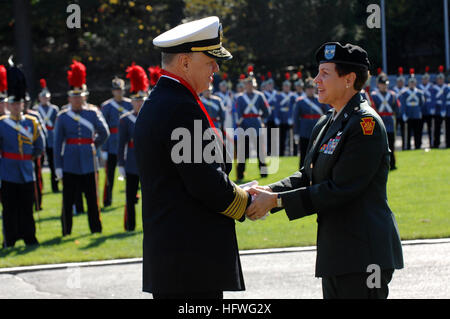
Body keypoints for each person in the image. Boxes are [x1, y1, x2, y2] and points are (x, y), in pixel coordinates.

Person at [245, 42, 404, 299]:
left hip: (363, 255)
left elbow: (341, 189)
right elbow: (307, 175)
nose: (315, 80)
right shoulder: (327, 121)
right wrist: (268, 191)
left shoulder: (366, 124)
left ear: (349, 79)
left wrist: (275, 201)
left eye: (325, 74)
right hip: (337, 253)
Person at [134, 16, 252, 299]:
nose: (217, 67)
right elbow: (205, 184)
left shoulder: (162, 102)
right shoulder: (180, 109)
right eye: (210, 60)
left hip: (177, 262)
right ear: (185, 62)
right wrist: (247, 202)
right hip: (190, 265)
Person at [54, 60, 109, 236]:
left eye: (80, 96)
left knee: (92, 199)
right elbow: (56, 144)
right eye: (74, 96)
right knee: (67, 200)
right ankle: (66, 231)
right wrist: (58, 167)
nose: (77, 99)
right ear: (69, 98)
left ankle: (95, 229)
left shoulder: (92, 113)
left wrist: (94, 145)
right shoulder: (62, 116)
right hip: (69, 162)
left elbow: (104, 132)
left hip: (88, 160)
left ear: (84, 96)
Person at [0, 63, 44, 248]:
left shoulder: (32, 123)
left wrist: (30, 159)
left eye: (19, 103)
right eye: (14, 104)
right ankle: (9, 239)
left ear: (23, 104)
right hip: (8, 171)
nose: (17, 107)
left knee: (27, 207)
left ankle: (29, 237)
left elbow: (39, 146)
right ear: (9, 105)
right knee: (9, 208)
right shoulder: (2, 124)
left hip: (26, 171)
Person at [118, 63, 148, 232]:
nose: (139, 104)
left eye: (141, 100)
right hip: (130, 163)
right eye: (136, 101)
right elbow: (121, 143)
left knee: (148, 197)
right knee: (130, 197)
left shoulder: (150, 117)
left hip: (147, 163)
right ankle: (130, 225)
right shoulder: (125, 119)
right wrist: (120, 164)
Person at [100, 77, 133, 208]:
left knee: (131, 173)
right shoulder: (106, 106)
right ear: (112, 91)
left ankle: (132, 196)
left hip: (127, 144)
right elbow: (103, 128)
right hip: (112, 144)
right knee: (110, 175)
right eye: (116, 90)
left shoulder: (130, 104)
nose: (118, 92)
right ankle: (107, 199)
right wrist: (103, 148)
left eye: (120, 90)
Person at [235, 74, 270, 181]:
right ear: (245, 85)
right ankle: (240, 175)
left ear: (254, 85)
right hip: (244, 126)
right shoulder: (240, 97)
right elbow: (238, 112)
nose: (249, 86)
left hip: (256, 125)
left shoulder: (260, 96)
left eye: (251, 84)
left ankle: (264, 173)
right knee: (242, 153)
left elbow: (266, 111)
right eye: (247, 84)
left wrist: (261, 120)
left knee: (261, 152)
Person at [293, 78, 329, 169]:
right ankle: (301, 172)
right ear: (305, 89)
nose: (311, 90)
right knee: (304, 153)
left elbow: (329, 113)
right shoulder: (300, 101)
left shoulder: (321, 99)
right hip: (305, 131)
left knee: (318, 153)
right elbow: (296, 118)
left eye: (312, 88)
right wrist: (296, 133)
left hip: (318, 130)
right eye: (309, 88)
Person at [34, 78, 60, 193]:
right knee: (39, 165)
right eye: (43, 97)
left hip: (52, 139)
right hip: (40, 139)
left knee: (53, 165)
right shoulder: (36, 109)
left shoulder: (54, 109)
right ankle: (40, 188)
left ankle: (55, 186)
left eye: (46, 96)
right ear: (39, 98)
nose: (45, 98)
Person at [371, 73, 399, 170]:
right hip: (379, 122)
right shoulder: (373, 96)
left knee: (391, 144)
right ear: (378, 84)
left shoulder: (392, 95)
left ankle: (392, 164)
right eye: (382, 84)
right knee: (379, 145)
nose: (384, 86)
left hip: (390, 122)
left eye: (385, 84)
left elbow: (396, 108)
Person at [399, 70, 425, 150]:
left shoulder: (419, 93)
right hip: (408, 115)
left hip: (417, 115)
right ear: (408, 83)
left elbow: (421, 103)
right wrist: (403, 114)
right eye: (411, 82)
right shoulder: (404, 93)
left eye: (413, 82)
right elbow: (402, 105)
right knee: (408, 133)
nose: (412, 83)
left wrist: (419, 111)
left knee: (417, 132)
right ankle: (407, 146)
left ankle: (417, 146)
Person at [275, 74, 295, 156]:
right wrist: (276, 117)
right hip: (282, 119)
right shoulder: (279, 96)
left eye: (288, 86)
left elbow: (294, 108)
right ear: (283, 87)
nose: (286, 88)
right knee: (282, 138)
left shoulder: (292, 96)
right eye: (285, 86)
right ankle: (281, 153)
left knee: (292, 138)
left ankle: (292, 153)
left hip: (290, 119)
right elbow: (277, 107)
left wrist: (292, 118)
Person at [418, 67, 434, 147]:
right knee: (419, 129)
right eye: (423, 79)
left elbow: (433, 99)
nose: (425, 80)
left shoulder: (432, 87)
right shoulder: (419, 87)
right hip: (421, 111)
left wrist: (432, 108)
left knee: (430, 128)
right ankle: (419, 144)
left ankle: (432, 143)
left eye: (426, 79)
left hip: (429, 111)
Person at [393, 67, 407, 150]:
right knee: (394, 132)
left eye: (401, 81)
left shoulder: (406, 91)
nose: (400, 83)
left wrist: (405, 112)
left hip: (403, 114)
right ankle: (393, 147)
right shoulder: (393, 91)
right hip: (395, 115)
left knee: (404, 132)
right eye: (399, 81)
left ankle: (404, 146)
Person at [433, 66, 447, 148]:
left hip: (445, 109)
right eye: (439, 79)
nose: (440, 80)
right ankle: (436, 143)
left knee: (447, 128)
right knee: (437, 128)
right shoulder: (434, 88)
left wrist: (444, 109)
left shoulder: (447, 88)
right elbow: (432, 99)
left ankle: (447, 143)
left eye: (441, 79)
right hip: (437, 110)